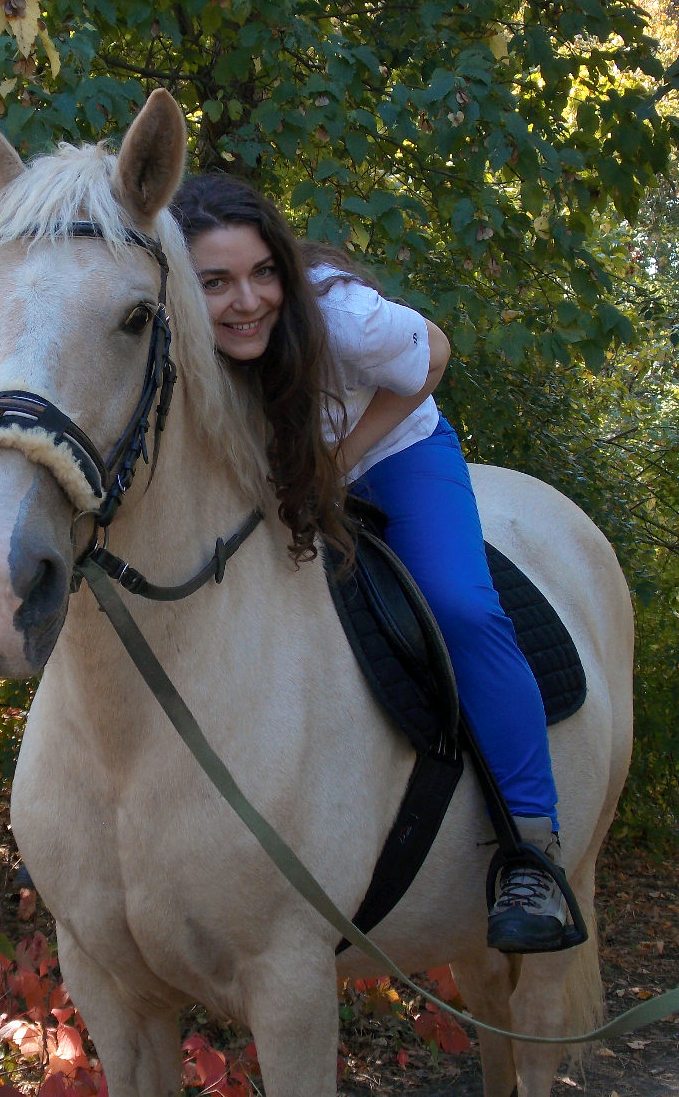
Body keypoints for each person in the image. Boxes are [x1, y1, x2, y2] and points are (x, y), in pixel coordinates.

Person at [170, 172, 574, 956]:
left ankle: (531, 850)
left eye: (261, 274)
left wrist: (342, 458)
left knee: (459, 605)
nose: (246, 302)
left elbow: (436, 356)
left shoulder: (342, 317)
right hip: (279, 471)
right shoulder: (171, 331)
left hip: (394, 451)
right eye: (214, 283)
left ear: (284, 269)